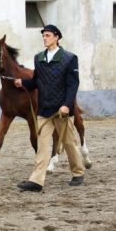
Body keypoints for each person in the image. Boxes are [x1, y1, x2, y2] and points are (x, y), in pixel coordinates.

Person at [14, 24, 85, 192]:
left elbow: (73, 84)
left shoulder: (69, 58)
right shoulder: (38, 58)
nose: (44, 38)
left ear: (56, 37)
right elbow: (36, 81)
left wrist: (67, 105)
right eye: (43, 36)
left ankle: (78, 172)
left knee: (69, 143)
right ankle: (37, 181)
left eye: (47, 35)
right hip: (44, 111)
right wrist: (22, 83)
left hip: (61, 111)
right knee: (43, 145)